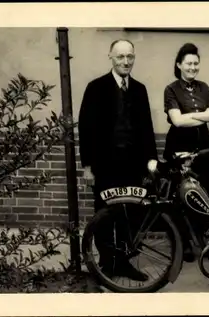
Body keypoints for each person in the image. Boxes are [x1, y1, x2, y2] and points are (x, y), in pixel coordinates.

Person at [78, 39, 158, 282]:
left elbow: (146, 128)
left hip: (132, 166)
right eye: (121, 56)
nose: (126, 62)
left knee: (130, 215)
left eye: (130, 57)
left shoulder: (139, 89)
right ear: (110, 57)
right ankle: (106, 263)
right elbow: (86, 128)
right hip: (105, 166)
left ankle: (123, 263)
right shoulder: (96, 87)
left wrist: (151, 160)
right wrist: (88, 167)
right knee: (104, 215)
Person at [162, 43, 209, 262]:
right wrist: (202, 114)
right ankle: (184, 244)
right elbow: (176, 121)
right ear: (179, 65)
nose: (193, 67)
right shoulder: (171, 89)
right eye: (189, 63)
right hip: (178, 149)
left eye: (196, 63)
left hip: (203, 150)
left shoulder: (204, 87)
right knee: (178, 197)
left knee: (205, 194)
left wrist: (191, 116)